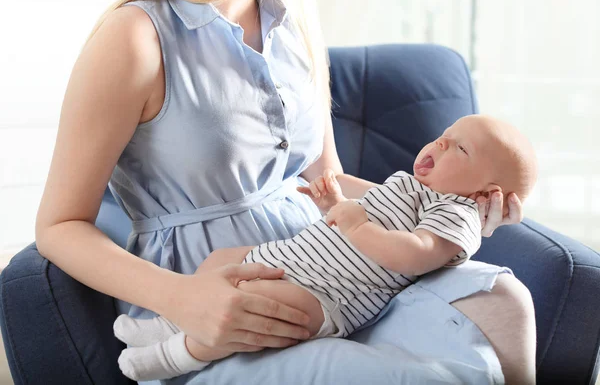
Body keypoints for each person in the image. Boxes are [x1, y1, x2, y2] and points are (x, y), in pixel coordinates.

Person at [34, 0, 536, 384]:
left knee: (508, 300)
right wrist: (183, 299)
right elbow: (59, 226)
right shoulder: (135, 35)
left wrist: (456, 207)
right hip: (216, 292)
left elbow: (326, 182)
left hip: (340, 267)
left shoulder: (292, 17)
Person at [112, 114, 538, 381]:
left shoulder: (457, 213)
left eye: (460, 148)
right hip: (290, 259)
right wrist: (334, 203)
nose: (441, 144)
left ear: (486, 192)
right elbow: (367, 207)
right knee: (219, 262)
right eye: (446, 135)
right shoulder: (411, 185)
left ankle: (175, 356)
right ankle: (170, 324)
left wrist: (354, 225)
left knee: (249, 313)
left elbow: (415, 252)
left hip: (328, 295)